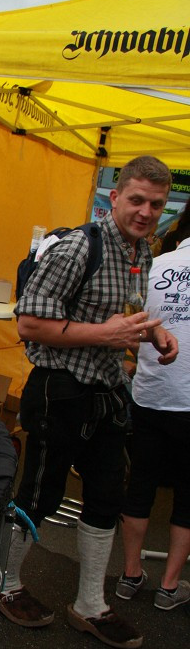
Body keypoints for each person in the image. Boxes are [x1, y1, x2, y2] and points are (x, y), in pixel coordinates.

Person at [0, 155, 178, 649]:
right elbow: (29, 324)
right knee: (40, 496)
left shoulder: (141, 251)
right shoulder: (80, 247)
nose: (145, 211)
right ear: (115, 197)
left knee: (105, 497)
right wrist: (109, 333)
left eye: (156, 204)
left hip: (106, 394)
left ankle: (89, 605)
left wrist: (154, 332)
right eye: (137, 199)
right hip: (60, 391)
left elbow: (124, 314)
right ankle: (5, 584)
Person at [117, 228, 190, 610]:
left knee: (141, 484)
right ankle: (170, 586)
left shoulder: (153, 268)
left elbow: (126, 331)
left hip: (151, 397)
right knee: (187, 495)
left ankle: (130, 575)